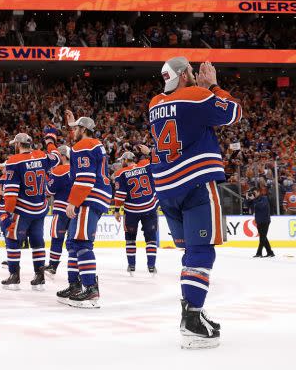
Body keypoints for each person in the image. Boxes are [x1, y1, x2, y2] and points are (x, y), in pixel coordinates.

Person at [148, 57, 241, 350]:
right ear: (185, 75)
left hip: (166, 187)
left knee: (190, 252)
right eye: (189, 70)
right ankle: (191, 320)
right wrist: (212, 85)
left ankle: (194, 312)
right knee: (201, 252)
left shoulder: (154, 103)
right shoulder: (198, 95)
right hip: (195, 182)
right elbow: (233, 113)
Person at [57, 112, 112, 309]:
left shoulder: (84, 145)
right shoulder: (93, 144)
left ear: (84, 130)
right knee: (73, 242)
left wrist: (73, 201)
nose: (72, 132)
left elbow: (86, 177)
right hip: (96, 196)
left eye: (75, 129)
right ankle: (75, 284)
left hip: (89, 198)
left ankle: (90, 288)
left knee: (81, 243)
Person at [0, 128, 61, 291]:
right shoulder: (42, 155)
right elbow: (56, 158)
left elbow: (11, 192)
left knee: (13, 240)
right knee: (37, 241)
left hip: (23, 209)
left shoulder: (14, 160)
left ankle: (14, 275)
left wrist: (7, 212)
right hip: (40, 208)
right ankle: (39, 275)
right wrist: (50, 141)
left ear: (19, 144)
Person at [111, 145, 159, 276]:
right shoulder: (145, 164)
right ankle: (151, 266)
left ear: (126, 161)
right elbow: (158, 163)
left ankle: (131, 266)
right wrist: (149, 153)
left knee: (130, 238)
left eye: (122, 161)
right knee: (151, 239)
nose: (121, 163)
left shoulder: (120, 173)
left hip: (132, 211)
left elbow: (120, 194)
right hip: (149, 207)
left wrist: (116, 210)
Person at [44, 146, 71, 275]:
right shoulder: (79, 170)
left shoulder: (59, 170)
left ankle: (53, 265)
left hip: (61, 210)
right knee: (74, 241)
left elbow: (49, 191)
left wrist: (48, 178)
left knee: (57, 238)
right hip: (76, 210)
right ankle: (76, 267)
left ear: (63, 156)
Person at [246, 189, 274, 258]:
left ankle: (259, 253)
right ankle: (270, 252)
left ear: (258, 192)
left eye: (254, 193)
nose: (253, 194)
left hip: (265, 220)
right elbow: (247, 205)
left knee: (262, 238)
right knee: (263, 237)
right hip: (258, 221)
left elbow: (260, 206)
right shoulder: (254, 200)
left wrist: (253, 199)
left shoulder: (264, 198)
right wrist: (247, 198)